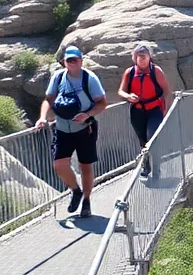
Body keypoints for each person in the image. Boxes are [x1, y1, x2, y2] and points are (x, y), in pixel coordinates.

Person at [36, 45, 107, 218]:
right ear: (64, 62)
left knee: (85, 165)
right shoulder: (58, 77)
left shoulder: (89, 79)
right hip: (62, 129)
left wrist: (87, 115)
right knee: (59, 165)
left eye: (75, 60)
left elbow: (102, 103)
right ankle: (75, 191)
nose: (72, 63)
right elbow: (49, 100)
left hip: (84, 129)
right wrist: (43, 117)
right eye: (69, 60)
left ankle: (87, 201)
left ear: (81, 61)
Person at [119, 43, 171, 178]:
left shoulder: (156, 71)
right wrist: (128, 96)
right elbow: (121, 91)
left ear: (149, 57)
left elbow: (166, 91)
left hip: (154, 109)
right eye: (138, 56)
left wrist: (166, 110)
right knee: (143, 140)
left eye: (144, 56)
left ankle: (157, 168)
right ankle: (146, 165)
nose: (141, 59)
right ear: (134, 58)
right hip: (137, 112)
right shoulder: (129, 72)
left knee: (152, 136)